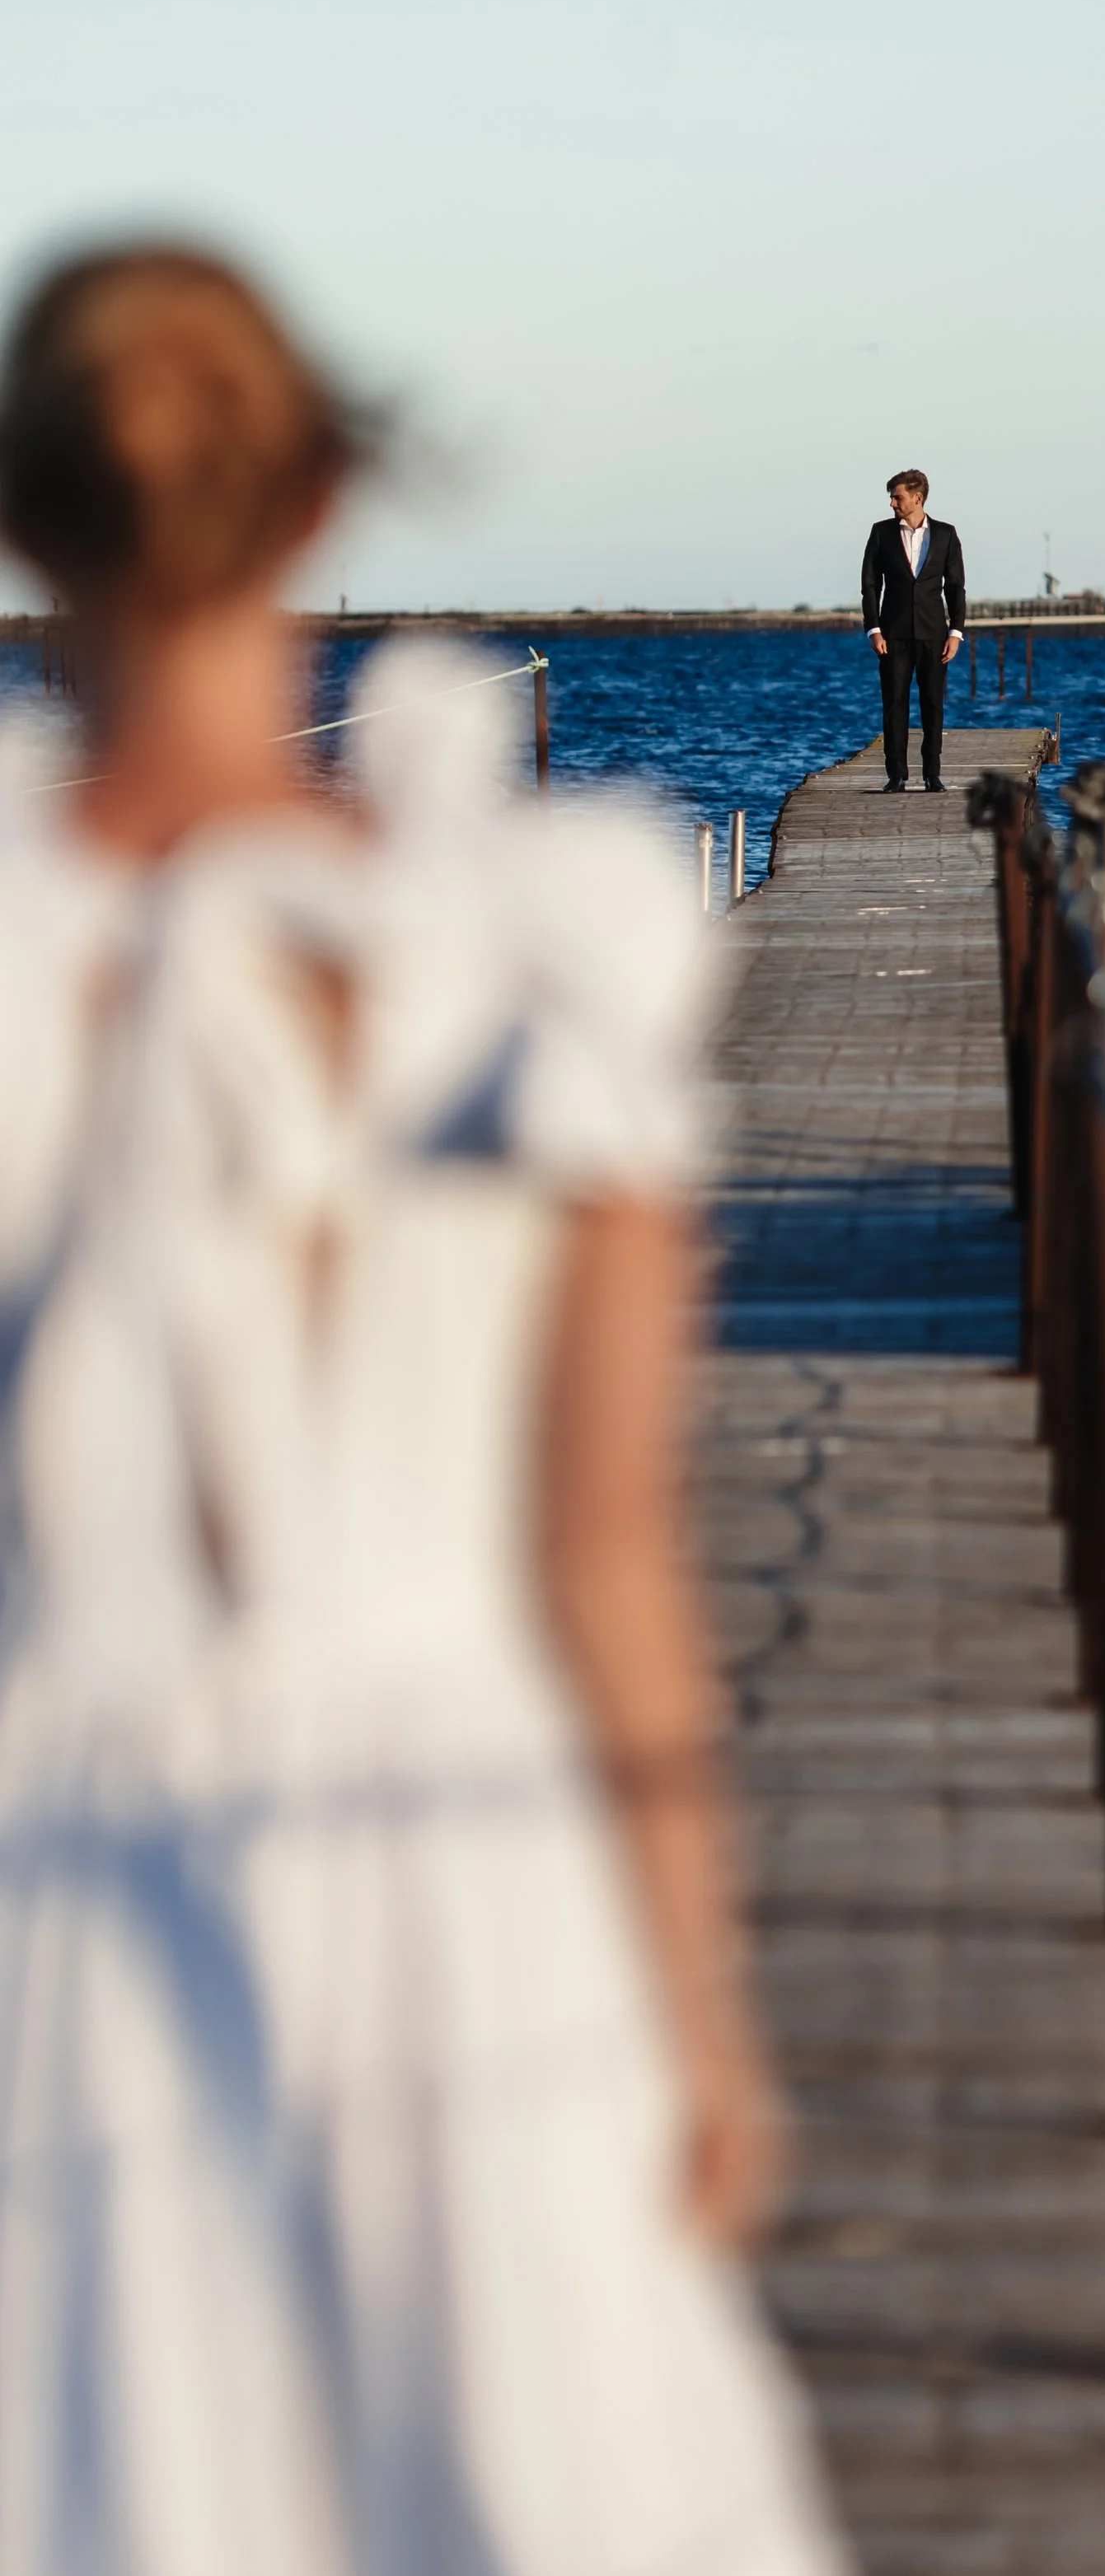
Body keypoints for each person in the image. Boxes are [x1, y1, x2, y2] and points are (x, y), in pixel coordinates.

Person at [0, 242, 845, 2576]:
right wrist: (697, 2021)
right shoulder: (532, 945)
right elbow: (602, 1559)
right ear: (320, 501)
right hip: (455, 1860)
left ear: (26, 521)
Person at [860, 469, 965, 792]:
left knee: (933, 703)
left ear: (917, 498)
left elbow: (956, 587)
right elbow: (870, 584)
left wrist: (956, 632)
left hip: (935, 634)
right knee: (894, 703)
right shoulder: (881, 533)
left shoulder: (946, 534)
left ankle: (932, 773)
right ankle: (897, 774)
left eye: (898, 497)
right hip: (893, 635)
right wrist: (873, 629)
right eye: (892, 497)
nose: (892, 503)